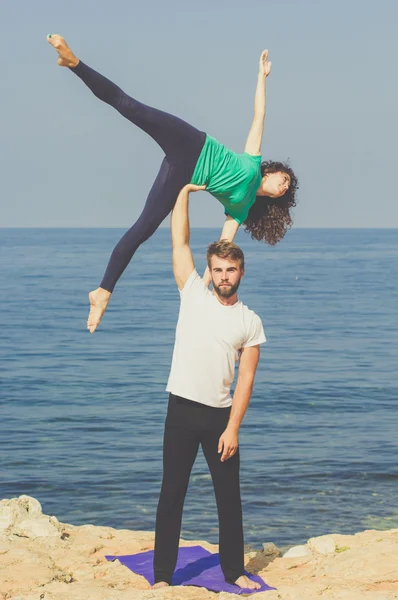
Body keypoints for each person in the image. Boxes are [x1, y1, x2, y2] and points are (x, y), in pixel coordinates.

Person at [47, 34, 298, 333]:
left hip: (182, 175)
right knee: (129, 106)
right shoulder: (253, 162)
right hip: (192, 141)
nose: (283, 186)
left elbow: (223, 248)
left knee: (143, 229)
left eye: (286, 188)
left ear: (274, 199)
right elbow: (260, 114)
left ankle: (102, 292)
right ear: (270, 172)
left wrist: (203, 287)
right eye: (284, 179)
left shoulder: (241, 208)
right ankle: (73, 62)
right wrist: (261, 77)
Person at [152, 183, 267, 591]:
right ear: (211, 270)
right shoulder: (192, 295)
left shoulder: (249, 322)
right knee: (172, 495)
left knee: (228, 499)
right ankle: (162, 577)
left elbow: (247, 378)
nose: (223, 276)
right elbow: (179, 240)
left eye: (230, 270)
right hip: (181, 410)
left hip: (220, 417)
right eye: (217, 269)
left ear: (240, 272)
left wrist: (233, 427)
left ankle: (234, 571)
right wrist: (182, 192)